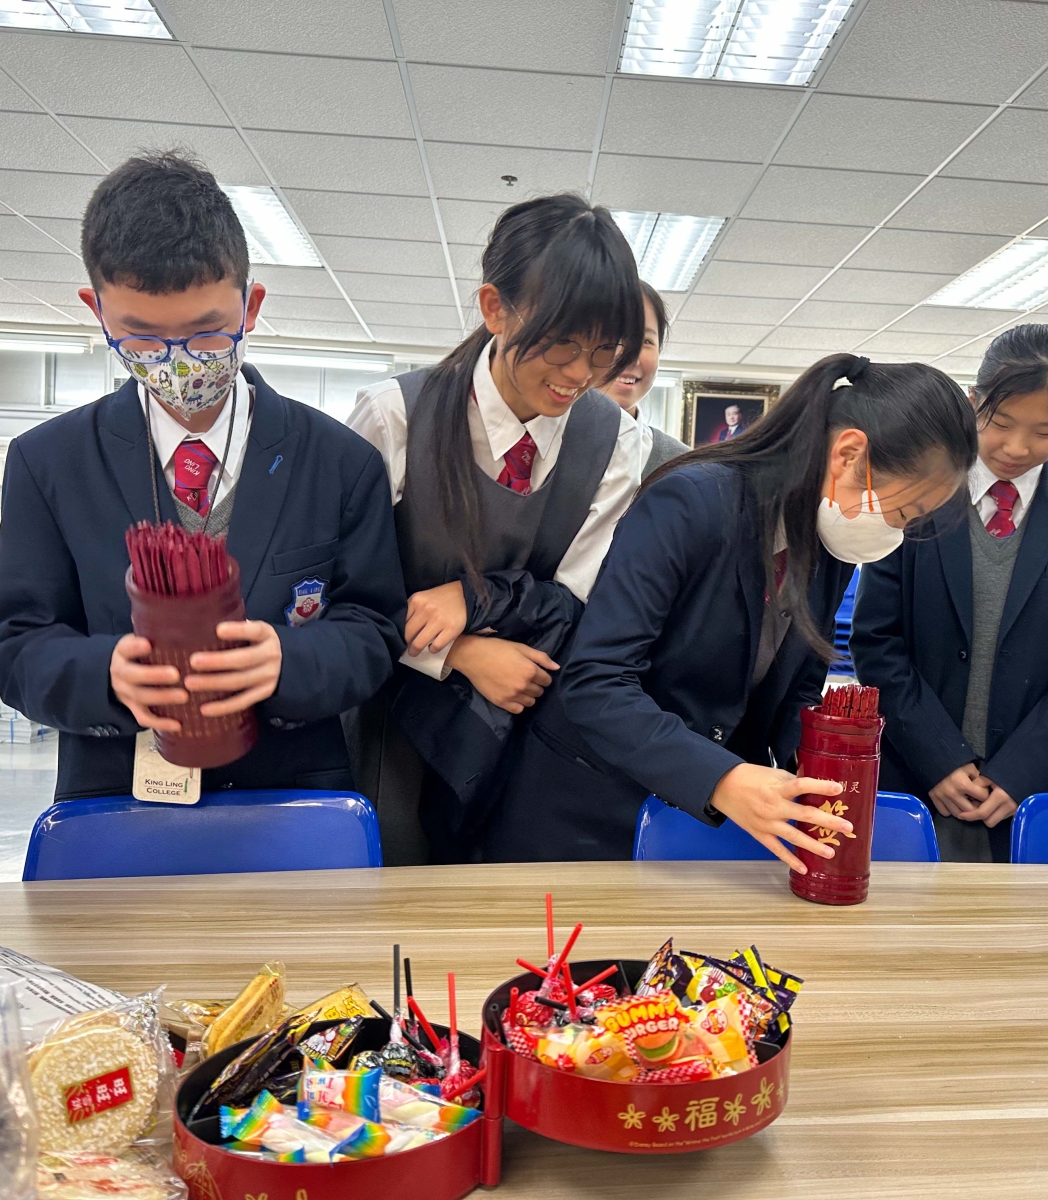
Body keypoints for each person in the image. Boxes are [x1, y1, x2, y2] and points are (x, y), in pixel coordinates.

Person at [0, 152, 406, 801]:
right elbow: (13, 645)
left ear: (250, 306)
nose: (179, 363)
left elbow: (375, 629)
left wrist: (287, 661)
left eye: (207, 333)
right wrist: (107, 674)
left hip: (290, 798)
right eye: (143, 338)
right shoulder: (50, 463)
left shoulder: (340, 463)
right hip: (116, 798)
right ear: (98, 312)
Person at [483, 352, 976, 864]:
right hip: (591, 805)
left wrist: (813, 763)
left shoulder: (832, 539)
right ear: (848, 454)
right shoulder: (692, 502)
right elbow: (597, 682)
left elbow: (800, 681)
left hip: (704, 823)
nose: (896, 533)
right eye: (903, 512)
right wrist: (724, 778)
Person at [346, 193, 645, 864]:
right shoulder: (396, 416)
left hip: (524, 731)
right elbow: (340, 592)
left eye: (602, 352)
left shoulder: (615, 444)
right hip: (392, 725)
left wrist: (471, 602)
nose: (580, 375)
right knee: (396, 889)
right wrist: (457, 653)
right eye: (562, 343)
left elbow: (577, 602)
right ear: (495, 308)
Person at [851, 324, 1048, 863]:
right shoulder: (918, 492)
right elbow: (877, 642)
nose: (1017, 448)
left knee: (1022, 914)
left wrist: (1021, 771)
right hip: (915, 772)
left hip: (1030, 790)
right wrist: (938, 757)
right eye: (1000, 424)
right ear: (973, 401)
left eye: (1045, 431)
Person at [601, 281, 688, 479]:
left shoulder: (681, 464)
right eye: (612, 338)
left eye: (646, 341)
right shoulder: (536, 447)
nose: (630, 357)